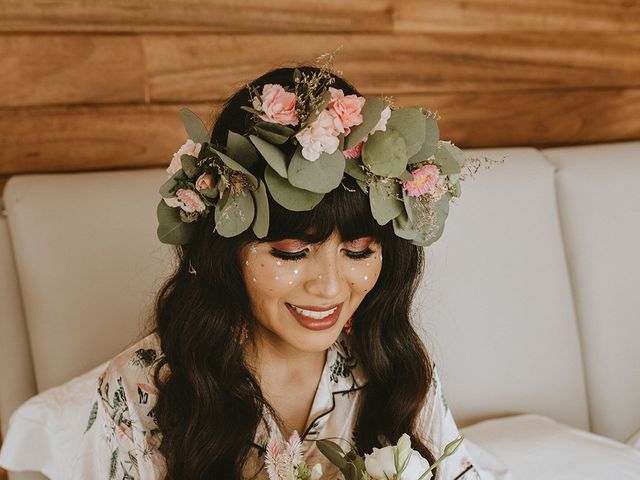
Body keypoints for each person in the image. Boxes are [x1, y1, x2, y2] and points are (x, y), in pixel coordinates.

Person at [71, 63, 486, 479]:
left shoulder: (396, 365)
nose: (328, 287)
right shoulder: (138, 388)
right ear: (226, 248)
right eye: (291, 252)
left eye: (357, 252)